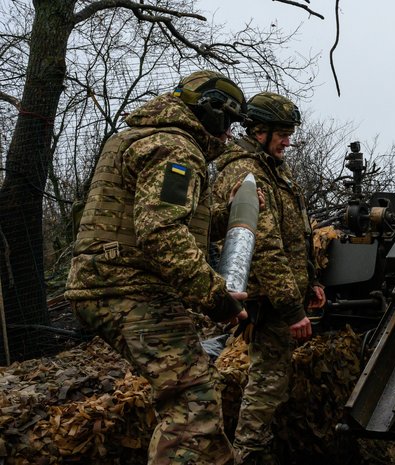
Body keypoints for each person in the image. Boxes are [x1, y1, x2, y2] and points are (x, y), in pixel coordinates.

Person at [65, 70, 249, 465]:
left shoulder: (142, 137)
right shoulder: (176, 149)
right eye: (229, 122)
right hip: (130, 288)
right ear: (212, 113)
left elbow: (164, 221)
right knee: (192, 404)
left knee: (192, 395)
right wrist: (217, 298)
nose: (230, 133)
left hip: (109, 283)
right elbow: (161, 234)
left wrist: (230, 213)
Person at [211, 91, 325, 465]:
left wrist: (311, 283)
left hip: (284, 293)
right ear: (260, 131)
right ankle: (248, 454)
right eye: (284, 133)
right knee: (267, 384)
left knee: (272, 382)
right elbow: (262, 246)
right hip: (271, 300)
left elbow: (297, 236)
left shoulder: (274, 168)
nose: (289, 141)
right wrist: (293, 309)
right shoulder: (245, 171)